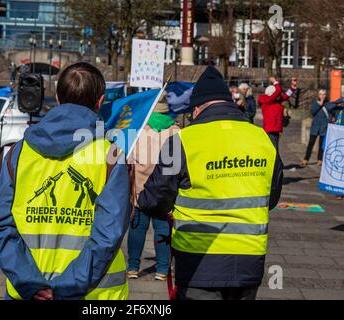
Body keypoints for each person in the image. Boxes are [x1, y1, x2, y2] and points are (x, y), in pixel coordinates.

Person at [0, 62, 130, 300]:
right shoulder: (110, 156)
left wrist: (32, 283)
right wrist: (68, 285)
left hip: (28, 291)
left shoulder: (18, 153)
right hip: (92, 293)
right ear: (101, 101)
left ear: (58, 98)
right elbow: (108, 234)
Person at [138, 66, 284, 300]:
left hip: (198, 261)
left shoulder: (183, 141)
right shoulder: (263, 139)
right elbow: (272, 198)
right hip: (248, 261)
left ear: (197, 108)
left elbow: (153, 201)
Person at [127, 93, 180, 281]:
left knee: (137, 229)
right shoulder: (176, 131)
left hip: (140, 190)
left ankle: (133, 268)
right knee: (162, 230)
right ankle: (162, 270)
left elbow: (130, 162)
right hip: (164, 192)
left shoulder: (139, 130)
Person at [258, 76, 298, 149]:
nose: (279, 96)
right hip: (270, 130)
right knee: (273, 150)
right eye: (277, 94)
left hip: (276, 129)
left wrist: (293, 87)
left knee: (274, 149)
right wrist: (274, 81)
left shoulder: (275, 101)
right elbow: (278, 90)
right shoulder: (267, 100)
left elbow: (286, 96)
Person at [302, 90, 330, 167]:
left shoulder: (328, 104)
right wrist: (319, 104)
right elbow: (312, 112)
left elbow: (331, 112)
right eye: (321, 94)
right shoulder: (315, 103)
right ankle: (306, 159)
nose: (322, 96)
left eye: (324, 94)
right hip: (315, 127)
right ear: (318, 95)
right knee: (311, 144)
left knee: (321, 145)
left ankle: (320, 159)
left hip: (324, 127)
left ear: (326, 95)